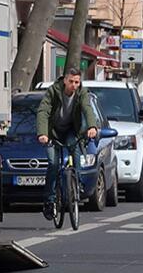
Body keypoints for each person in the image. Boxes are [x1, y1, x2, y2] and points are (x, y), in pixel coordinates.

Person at [35, 66, 100, 221]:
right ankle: (50, 201)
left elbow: (87, 108)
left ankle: (76, 184)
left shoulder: (82, 93)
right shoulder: (53, 91)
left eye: (77, 82)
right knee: (53, 163)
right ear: (65, 80)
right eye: (71, 81)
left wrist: (92, 126)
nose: (74, 85)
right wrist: (42, 133)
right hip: (53, 131)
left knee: (75, 149)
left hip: (71, 130)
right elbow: (43, 111)